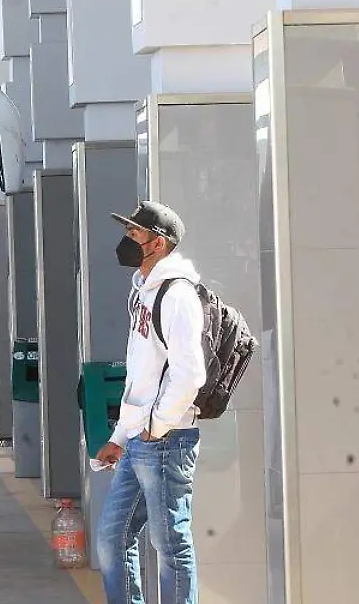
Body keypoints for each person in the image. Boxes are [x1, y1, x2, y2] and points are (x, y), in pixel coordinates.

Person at [95, 201, 206, 604]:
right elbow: (141, 375)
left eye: (134, 233)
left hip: (167, 440)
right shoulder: (143, 291)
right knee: (112, 539)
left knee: (171, 546)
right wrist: (121, 436)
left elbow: (189, 374)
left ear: (157, 243)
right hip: (140, 440)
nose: (126, 239)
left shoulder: (177, 295)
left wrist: (156, 427)